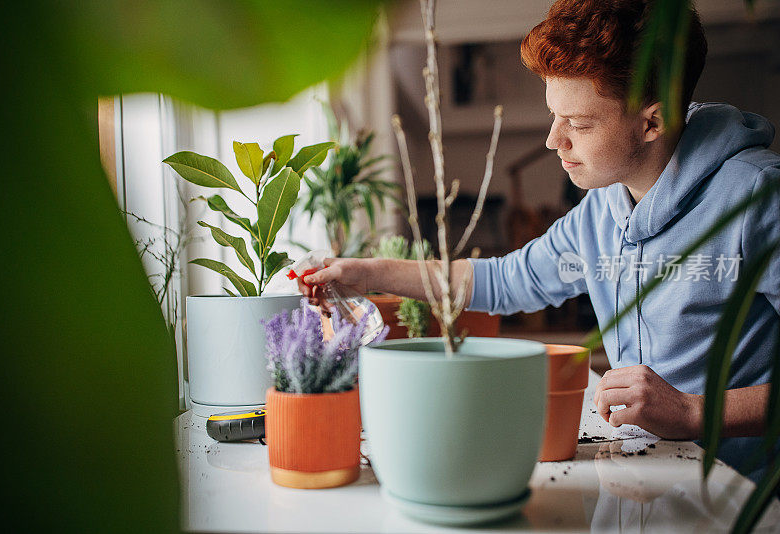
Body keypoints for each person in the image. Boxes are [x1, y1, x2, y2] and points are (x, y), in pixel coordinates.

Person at [299, 0, 780, 480]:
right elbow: (506, 281)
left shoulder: (757, 197)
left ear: (652, 121)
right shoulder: (600, 210)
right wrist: (363, 272)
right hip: (645, 483)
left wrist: (694, 412)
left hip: (740, 500)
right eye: (555, 115)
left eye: (580, 123)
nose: (554, 140)